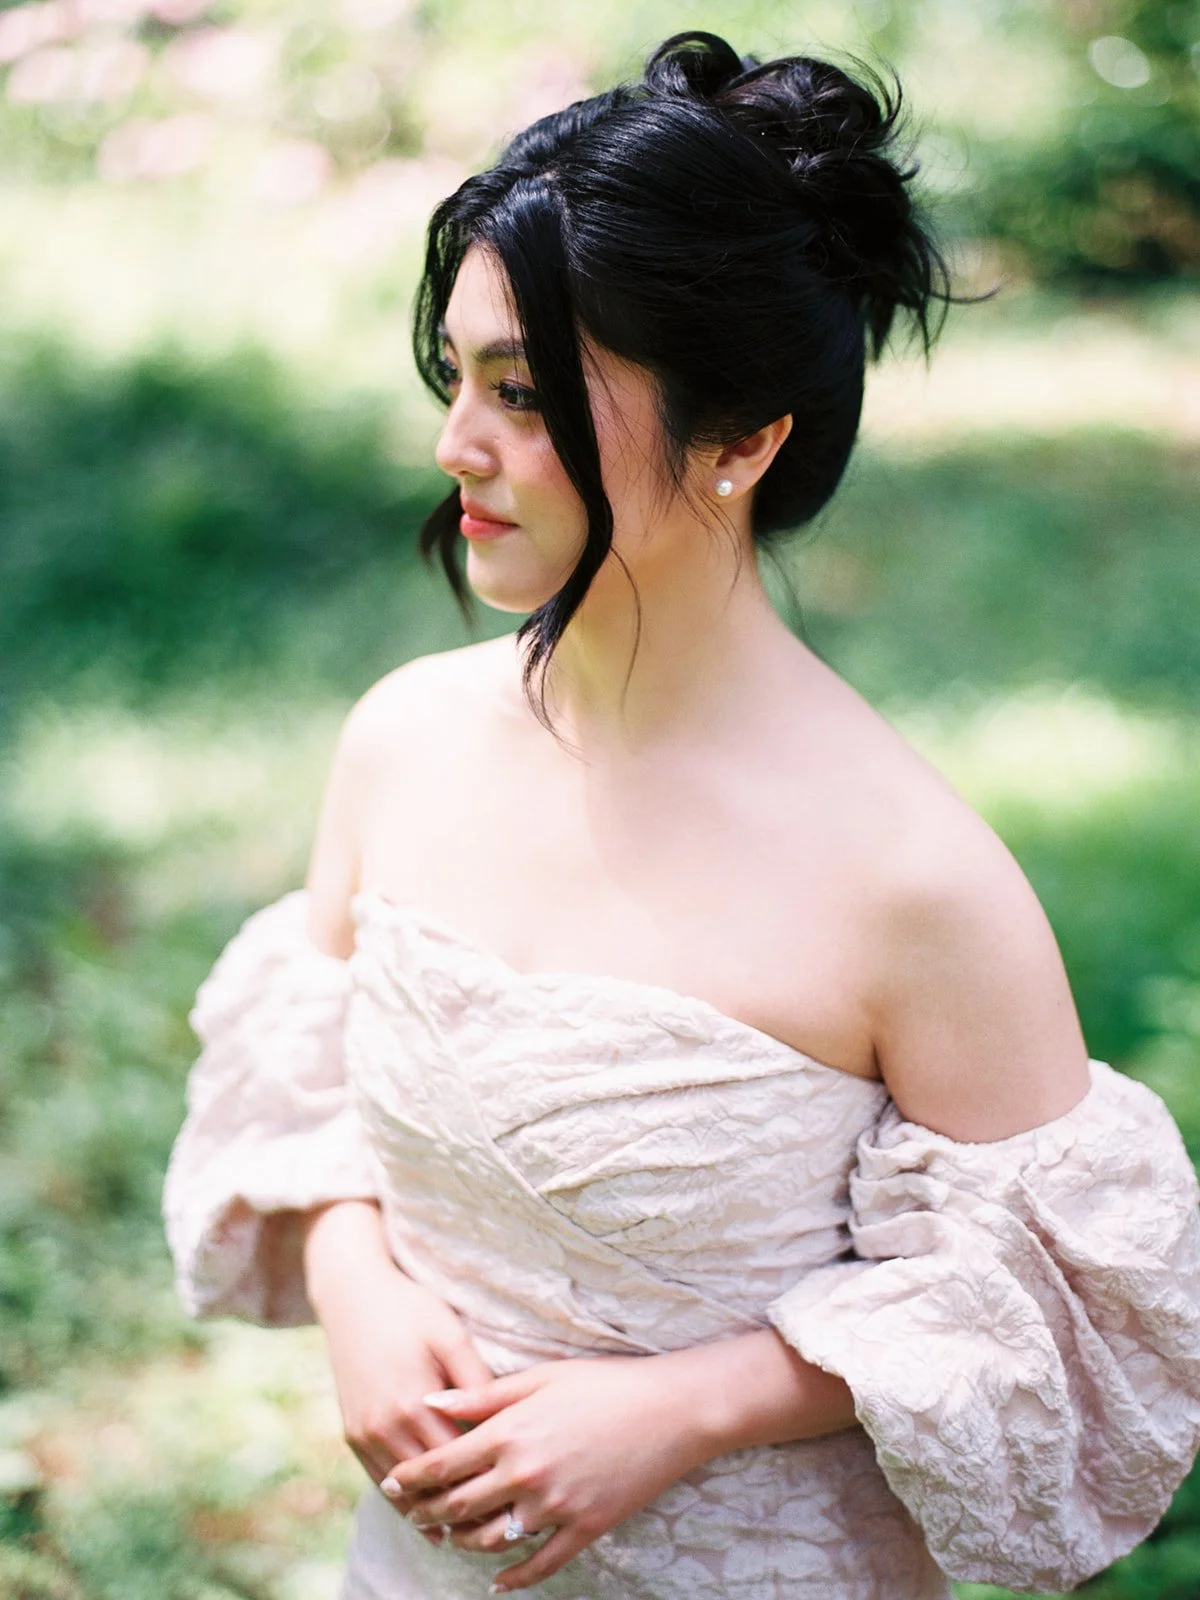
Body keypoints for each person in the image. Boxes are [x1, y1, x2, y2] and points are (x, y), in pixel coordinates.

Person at [162, 30, 1200, 1600]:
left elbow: (1046, 1320)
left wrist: (688, 1408)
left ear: (744, 439)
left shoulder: (915, 886)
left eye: (523, 392)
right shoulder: (403, 740)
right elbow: (301, 1096)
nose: (457, 446)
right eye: (456, 376)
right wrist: (356, 1279)